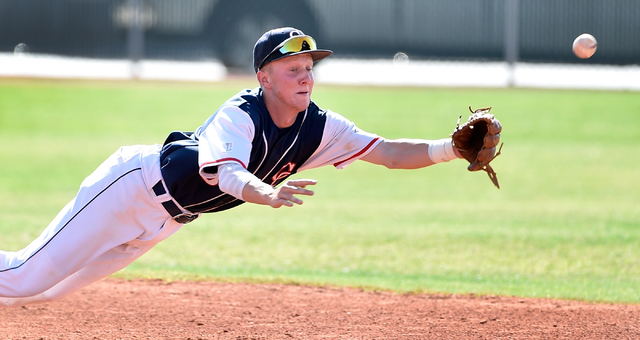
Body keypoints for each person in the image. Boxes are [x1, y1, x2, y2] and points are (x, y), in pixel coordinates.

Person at [0, 27, 463, 307]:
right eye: (292, 69)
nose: (306, 76)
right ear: (264, 78)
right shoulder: (239, 113)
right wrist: (268, 193)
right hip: (132, 188)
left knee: (48, 293)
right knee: (23, 278)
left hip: (166, 220)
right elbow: (229, 176)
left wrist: (451, 149)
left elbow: (388, 152)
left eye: (309, 68)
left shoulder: (322, 127)